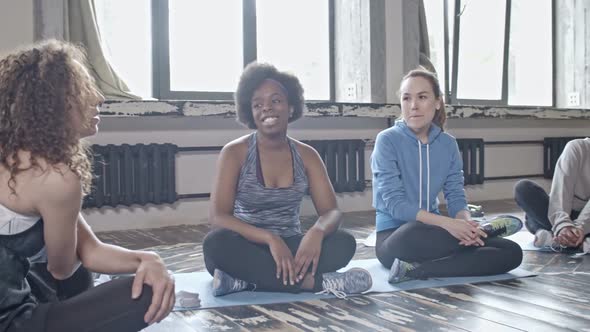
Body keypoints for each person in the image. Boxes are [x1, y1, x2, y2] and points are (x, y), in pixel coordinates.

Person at [0, 40, 175, 332]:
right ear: (50, 102)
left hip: (17, 291)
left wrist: (150, 258)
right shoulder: (56, 178)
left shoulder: (18, 154)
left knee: (85, 276)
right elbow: (62, 268)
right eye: (81, 88)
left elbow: (90, 250)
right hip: (12, 321)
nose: (97, 98)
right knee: (141, 293)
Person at [203, 62, 371, 297]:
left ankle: (245, 282)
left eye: (275, 101)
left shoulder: (307, 155)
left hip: (292, 245)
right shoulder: (234, 153)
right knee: (215, 245)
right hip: (245, 245)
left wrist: (317, 232)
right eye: (257, 104)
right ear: (250, 112)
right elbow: (218, 218)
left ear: (291, 107)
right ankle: (316, 284)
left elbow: (331, 211)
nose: (267, 109)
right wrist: (269, 238)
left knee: (344, 243)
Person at [371, 68, 523, 283]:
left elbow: (455, 196)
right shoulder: (387, 140)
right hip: (396, 238)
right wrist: (448, 224)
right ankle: (485, 232)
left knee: (512, 252)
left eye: (422, 97)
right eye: (407, 98)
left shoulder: (448, 144)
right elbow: (395, 205)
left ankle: (418, 270)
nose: (413, 106)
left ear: (437, 102)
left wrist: (465, 222)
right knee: (412, 232)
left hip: (437, 234)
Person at [514, 138, 590, 251]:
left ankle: (554, 237)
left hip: (587, 220)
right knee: (523, 188)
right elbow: (561, 190)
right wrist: (563, 225)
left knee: (532, 219)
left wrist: (581, 228)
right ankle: (576, 241)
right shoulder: (577, 147)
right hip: (567, 213)